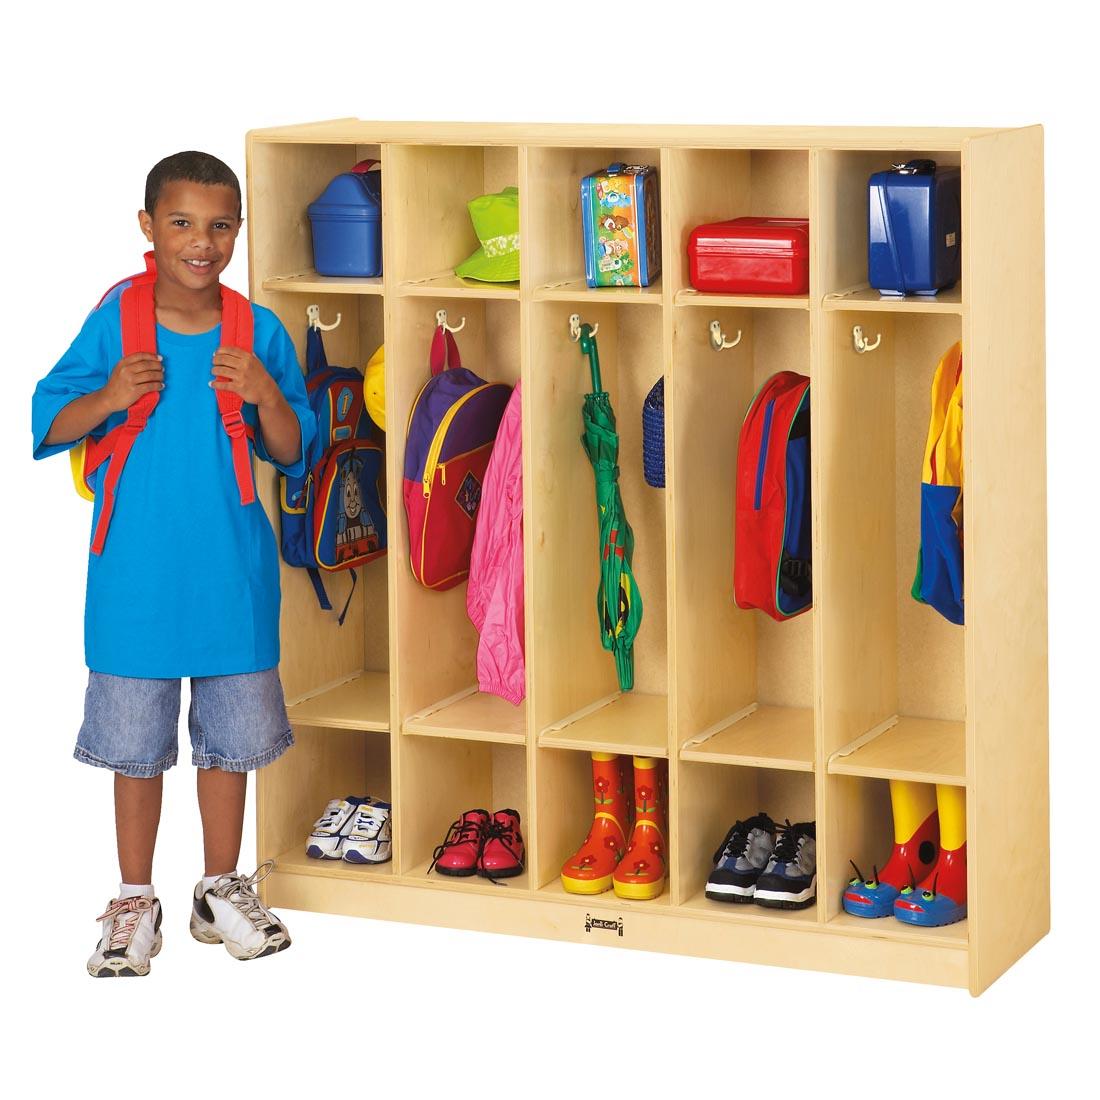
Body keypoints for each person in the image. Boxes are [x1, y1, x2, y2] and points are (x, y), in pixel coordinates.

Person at [31, 151, 317, 977]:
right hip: (134, 578)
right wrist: (111, 395)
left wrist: (265, 391)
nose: (203, 242)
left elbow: (294, 451)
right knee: (135, 748)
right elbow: (49, 421)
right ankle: (133, 900)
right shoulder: (115, 320)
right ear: (148, 226)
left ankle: (220, 889)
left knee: (231, 744)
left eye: (221, 225)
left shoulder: (254, 327)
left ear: (238, 231)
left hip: (233, 575)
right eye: (183, 223)